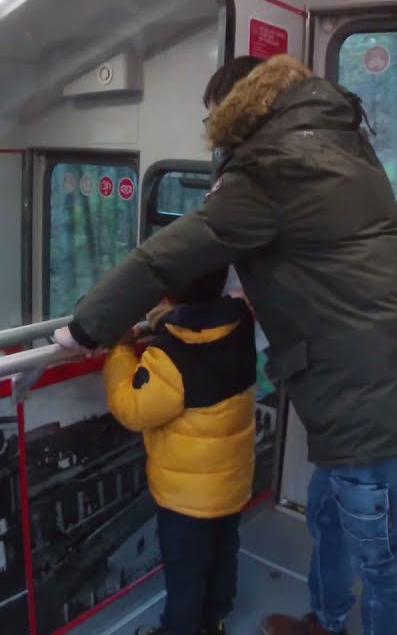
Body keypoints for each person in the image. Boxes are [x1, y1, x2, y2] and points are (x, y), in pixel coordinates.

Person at [55, 53, 397, 635]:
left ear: (237, 108)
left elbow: (170, 253)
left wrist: (85, 328)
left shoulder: (271, 167)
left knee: (381, 558)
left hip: (367, 391)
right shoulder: (336, 145)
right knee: (328, 512)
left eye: (212, 116)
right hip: (378, 369)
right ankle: (325, 621)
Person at [102, 267, 257, 635]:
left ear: (166, 296)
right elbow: (198, 323)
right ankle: (215, 621)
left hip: (186, 500)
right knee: (222, 556)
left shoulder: (170, 355)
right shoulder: (240, 326)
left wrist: (122, 350)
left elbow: (132, 408)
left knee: (186, 571)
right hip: (231, 486)